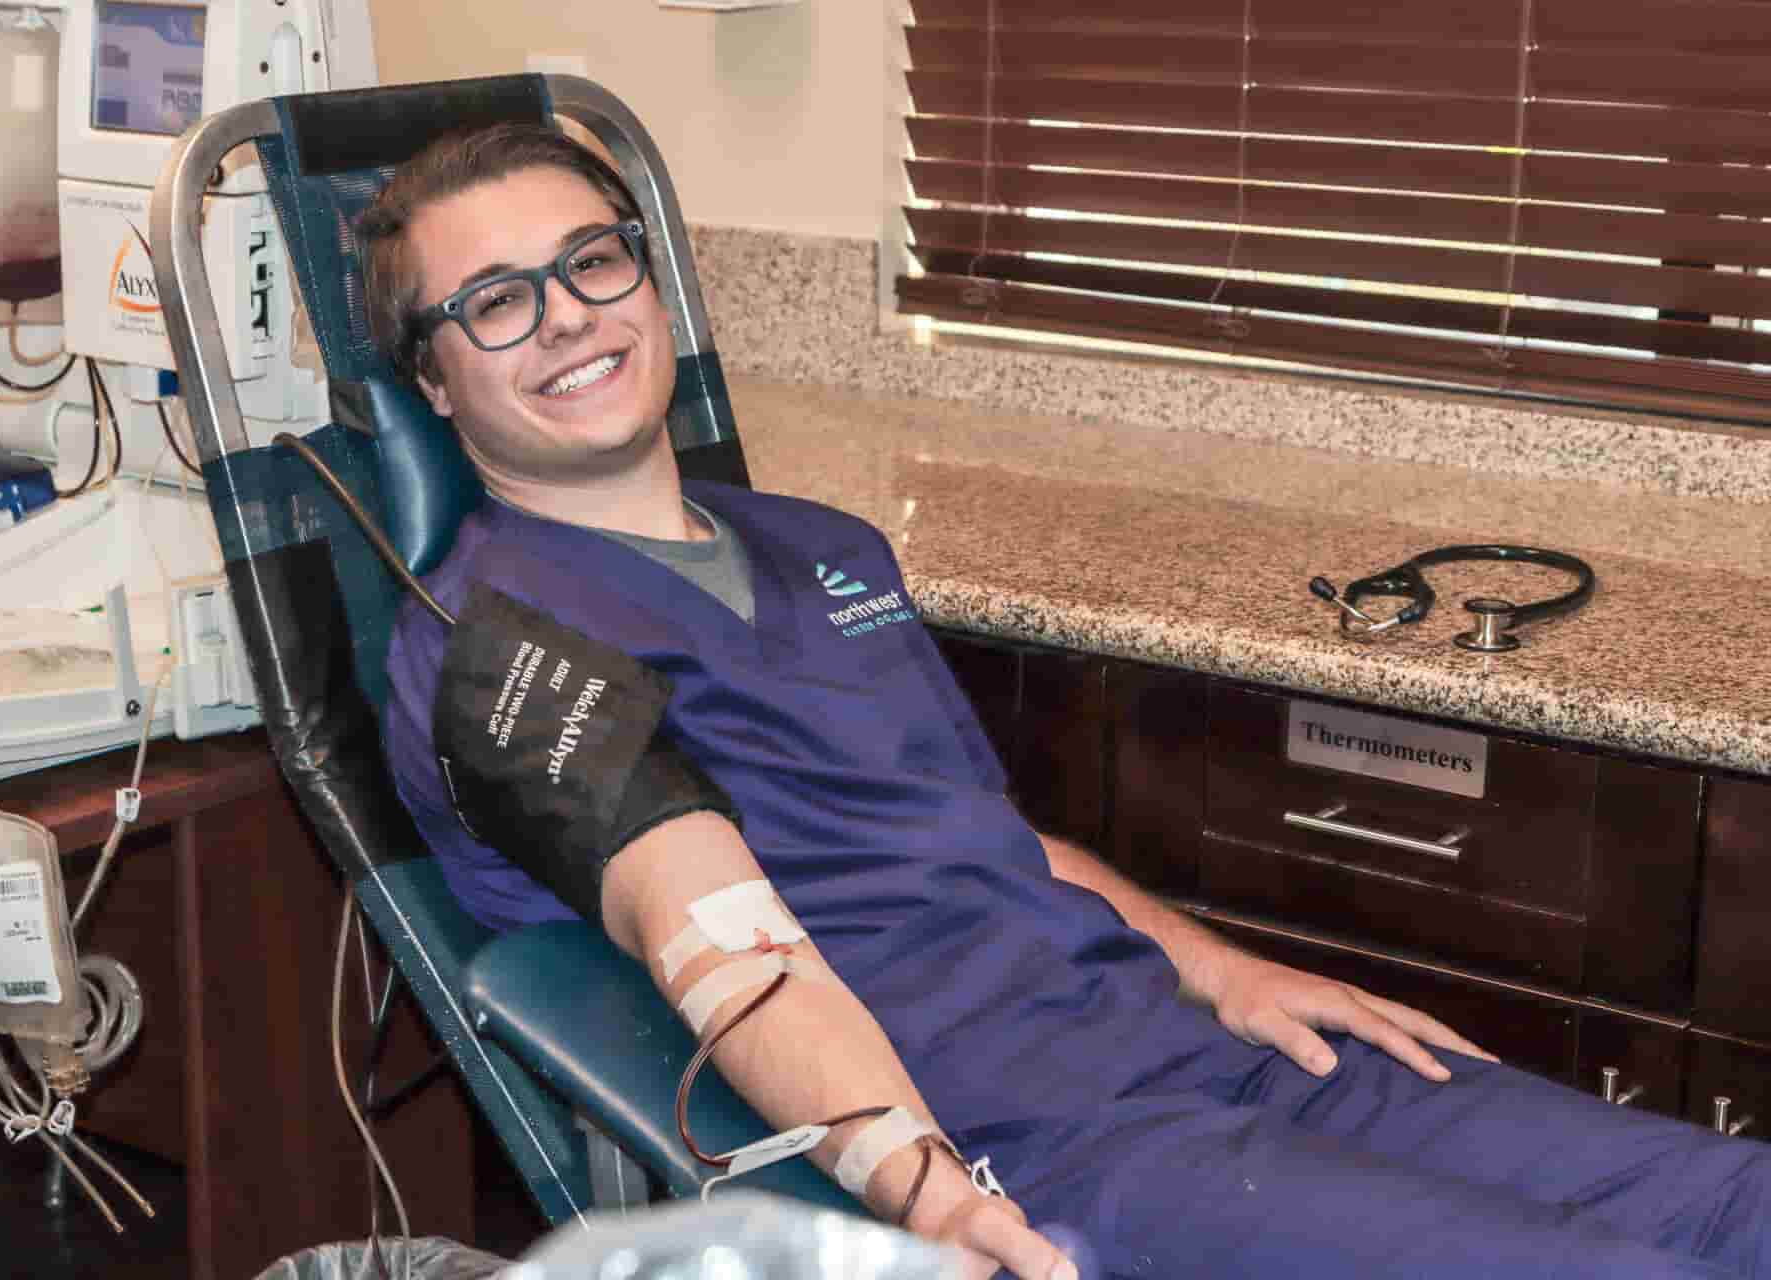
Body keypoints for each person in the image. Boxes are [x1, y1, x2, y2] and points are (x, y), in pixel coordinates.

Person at [366, 125, 1770, 1280]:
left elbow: (981, 833)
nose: (566, 319)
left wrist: (1218, 969)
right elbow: (719, 943)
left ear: (651, 282)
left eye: (591, 263)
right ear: (432, 376)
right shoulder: (495, 646)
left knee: (1739, 1206)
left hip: (1186, 1050)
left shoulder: (824, 547)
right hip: (1034, 1140)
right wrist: (925, 1199)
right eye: (495, 300)